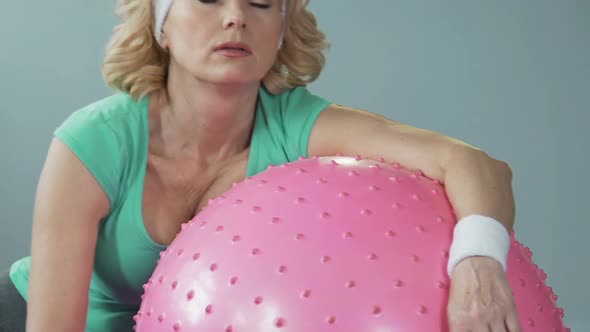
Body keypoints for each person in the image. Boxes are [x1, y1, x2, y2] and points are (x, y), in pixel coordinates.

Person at [0, 0, 522, 331]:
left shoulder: (296, 124)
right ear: (162, 25)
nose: (235, 16)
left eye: (261, 2)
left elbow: (474, 164)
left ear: (282, 29)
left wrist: (479, 264)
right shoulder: (94, 142)